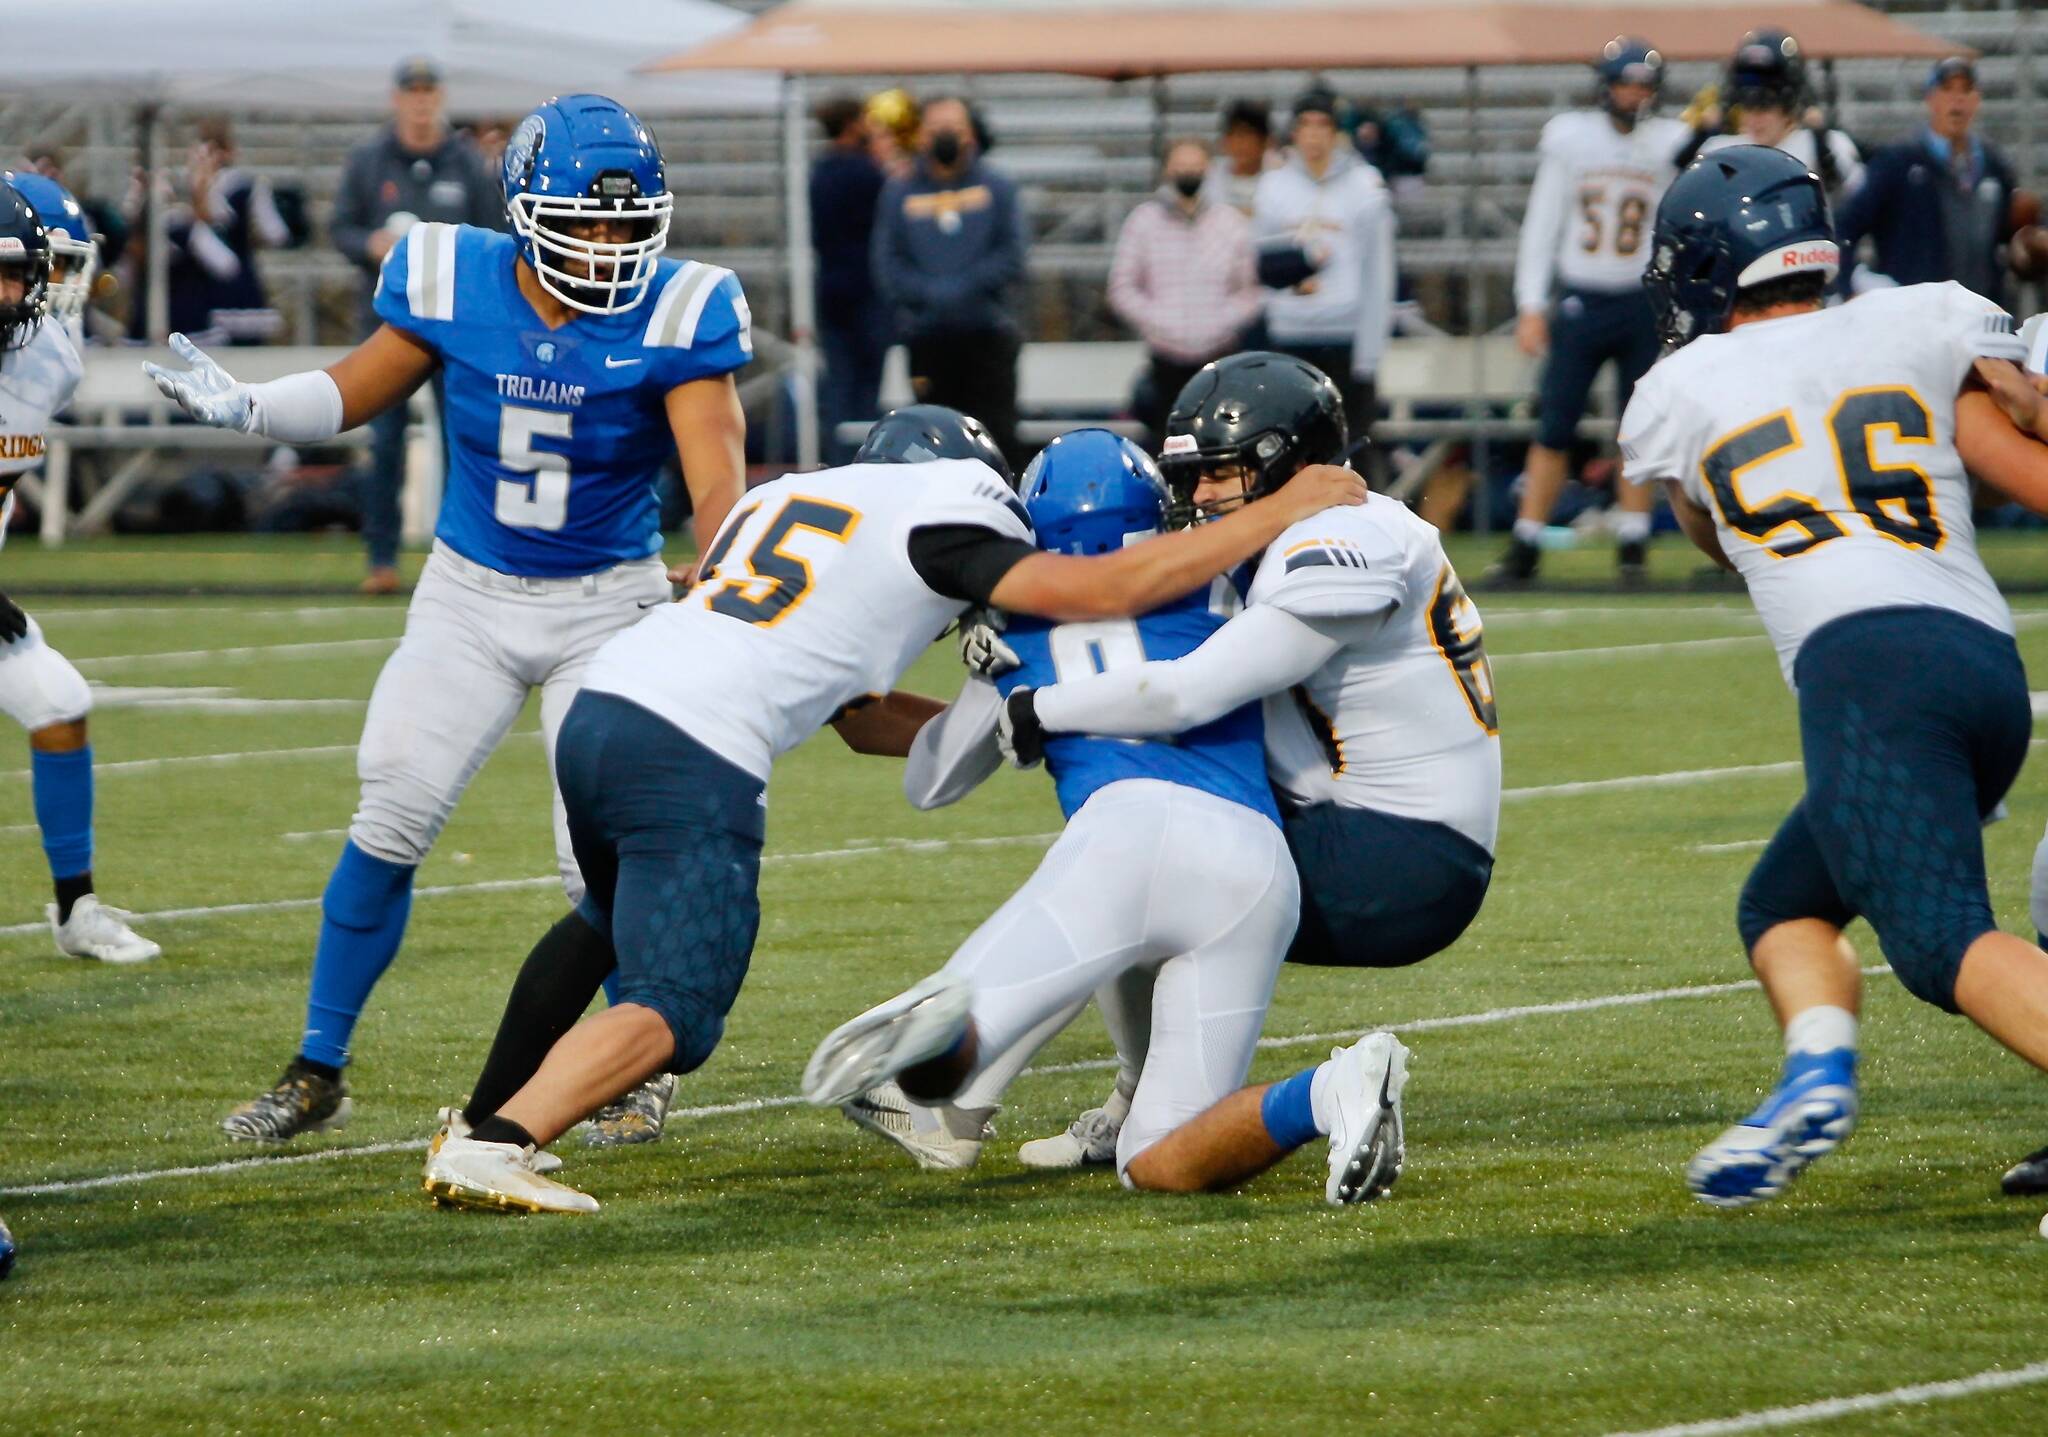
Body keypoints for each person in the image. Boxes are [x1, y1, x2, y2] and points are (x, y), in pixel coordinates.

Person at [419, 407, 1369, 1213]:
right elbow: (1107, 591)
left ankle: (484, 1116)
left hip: (609, 702)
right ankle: (500, 1141)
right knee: (677, 999)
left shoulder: (779, 500)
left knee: (600, 922)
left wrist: (1011, 711)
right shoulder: (976, 517)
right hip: (697, 746)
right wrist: (1279, 512)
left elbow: (874, 728)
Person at [145, 94, 750, 1147]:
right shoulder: (447, 275)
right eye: (584, 223)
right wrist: (252, 406)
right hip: (469, 593)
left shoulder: (682, 310)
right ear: (523, 213)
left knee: (598, 863)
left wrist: (722, 571)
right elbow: (350, 389)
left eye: (625, 226)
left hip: (611, 607)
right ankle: (316, 1067)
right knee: (390, 809)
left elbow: (718, 483)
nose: (607, 248)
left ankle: (633, 1060)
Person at [851, 354, 1500, 1173]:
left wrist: (1034, 705)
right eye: (1188, 479)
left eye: (1219, 473)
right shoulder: (1269, 547)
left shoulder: (1343, 533)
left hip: (1396, 851)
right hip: (1330, 829)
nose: (1199, 499)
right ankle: (1159, 1105)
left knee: (1131, 861)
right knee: (1158, 1148)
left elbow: (1190, 692)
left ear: (1287, 461)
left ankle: (947, 1091)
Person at [1618, 145, 2048, 1217]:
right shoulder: (1918, 319)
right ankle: (1812, 1074)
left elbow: (1714, 535)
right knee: (1779, 904)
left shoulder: (1675, 389)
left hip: (1864, 671)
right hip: (1979, 661)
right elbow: (2023, 451)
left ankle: (1817, 1078)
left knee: (1941, 942)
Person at [0, 180, 160, 965]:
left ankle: (75, 909)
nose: (18, 292)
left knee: (59, 699)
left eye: (22, 273)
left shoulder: (47, 362)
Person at [1491, 38, 1693, 587]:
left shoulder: (1671, 141)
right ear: (1605, 87)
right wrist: (1531, 304)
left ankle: (1633, 541)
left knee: (1638, 427)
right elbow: (1544, 223)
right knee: (1555, 425)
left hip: (1640, 298)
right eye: (1625, 83)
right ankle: (1527, 543)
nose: (1633, 95)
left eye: (1642, 85)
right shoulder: (1571, 139)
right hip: (1581, 296)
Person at [331, 56, 504, 596]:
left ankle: (461, 556)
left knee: (463, 439)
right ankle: (381, 557)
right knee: (384, 443)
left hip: (456, 326)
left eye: (430, 92)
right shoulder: (369, 160)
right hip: (391, 325)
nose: (422, 101)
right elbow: (340, 228)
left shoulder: (467, 162)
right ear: (397, 99)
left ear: (440, 98)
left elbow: (496, 235)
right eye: (413, 92)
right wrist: (370, 245)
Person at [871, 96, 1029, 466]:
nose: (946, 137)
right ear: (921, 137)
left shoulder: (998, 188)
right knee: (931, 438)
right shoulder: (899, 192)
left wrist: (963, 289)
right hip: (927, 337)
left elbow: (1013, 255)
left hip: (988, 336)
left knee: (998, 434)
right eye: (936, 129)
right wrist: (930, 294)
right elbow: (887, 263)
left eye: (954, 128)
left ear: (971, 135)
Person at [1251, 90, 1393, 459]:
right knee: (1289, 448)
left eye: (1323, 125)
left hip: (1344, 336)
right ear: (1293, 132)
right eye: (1305, 125)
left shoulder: (1364, 186)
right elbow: (1259, 263)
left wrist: (1370, 354)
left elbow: (1378, 272)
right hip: (1289, 334)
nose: (1314, 135)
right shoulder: (1273, 186)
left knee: (1350, 447)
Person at [1837, 57, 2028, 310]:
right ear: (1931, 98)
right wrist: (1847, 289)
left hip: (1980, 314)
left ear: (1976, 100)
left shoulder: (1993, 165)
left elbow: (2011, 235)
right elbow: (1846, 224)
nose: (1957, 99)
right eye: (1948, 89)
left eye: (1966, 90)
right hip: (1916, 319)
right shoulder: (1899, 162)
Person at [1107, 138, 1259, 448]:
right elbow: (1122, 287)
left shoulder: (1230, 222)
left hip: (1219, 360)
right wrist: (1160, 320)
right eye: (1181, 167)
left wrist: (1221, 321)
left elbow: (1251, 290)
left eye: (1195, 167)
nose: (1188, 173)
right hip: (1165, 362)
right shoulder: (1144, 222)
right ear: (1167, 171)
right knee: (1169, 445)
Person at [810, 96, 890, 464]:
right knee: (865, 390)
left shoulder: (820, 172)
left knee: (839, 386)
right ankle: (862, 460)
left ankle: (836, 461)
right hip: (867, 291)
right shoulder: (868, 172)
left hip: (830, 288)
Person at [1698, 30, 1862, 199]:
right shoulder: (1719, 153)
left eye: (1765, 106)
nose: (1755, 118)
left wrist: (1821, 144)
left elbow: (1855, 201)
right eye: (1746, 106)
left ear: (1789, 106)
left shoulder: (1829, 145)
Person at [1206, 100, 1275, 219]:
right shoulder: (1210, 178)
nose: (1240, 144)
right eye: (1234, 135)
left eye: (1247, 135)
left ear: (1265, 141)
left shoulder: (1279, 179)